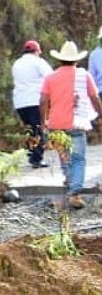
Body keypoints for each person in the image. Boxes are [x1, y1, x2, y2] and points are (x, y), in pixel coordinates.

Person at [39, 41, 101, 210]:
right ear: (76, 60)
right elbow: (94, 97)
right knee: (79, 159)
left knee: (64, 157)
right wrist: (100, 114)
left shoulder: (50, 77)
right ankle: (75, 193)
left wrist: (44, 122)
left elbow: (43, 100)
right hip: (77, 123)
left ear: (60, 60)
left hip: (56, 124)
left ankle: (69, 181)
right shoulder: (84, 75)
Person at [11, 40, 52, 169]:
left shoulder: (16, 64)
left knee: (30, 130)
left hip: (20, 102)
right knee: (39, 129)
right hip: (35, 100)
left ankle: (32, 153)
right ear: (36, 51)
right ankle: (36, 158)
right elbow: (51, 77)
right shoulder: (38, 62)